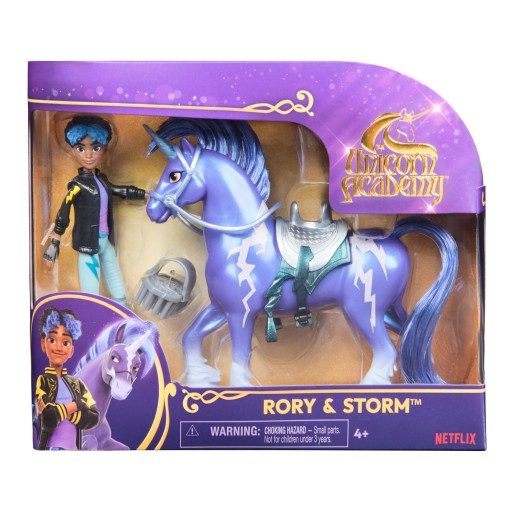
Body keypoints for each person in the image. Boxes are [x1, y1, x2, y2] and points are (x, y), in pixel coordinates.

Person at [43, 115, 146, 306]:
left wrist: (143, 194)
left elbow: (117, 190)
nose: (89, 155)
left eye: (96, 148)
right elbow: (63, 212)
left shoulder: (102, 180)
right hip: (87, 245)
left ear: (104, 149)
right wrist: (54, 242)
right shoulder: (77, 186)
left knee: (116, 281)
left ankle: (122, 309)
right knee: (91, 289)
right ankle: (91, 311)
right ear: (73, 151)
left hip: (105, 241)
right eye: (81, 149)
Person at [35, 307, 99, 450]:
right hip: (51, 449)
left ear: (71, 351)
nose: (59, 347)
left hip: (74, 449)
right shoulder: (43, 381)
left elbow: (94, 416)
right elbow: (48, 419)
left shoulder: (77, 383)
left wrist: (61, 411)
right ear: (43, 344)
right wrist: (76, 405)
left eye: (65, 343)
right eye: (52, 340)